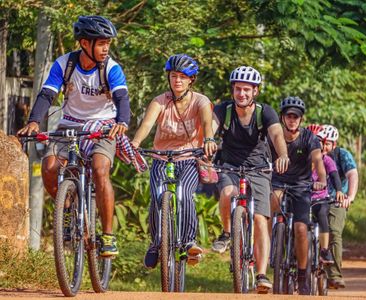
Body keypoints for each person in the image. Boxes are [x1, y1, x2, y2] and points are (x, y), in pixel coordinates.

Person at [17, 15, 130, 257]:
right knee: (49, 168)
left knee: (100, 170)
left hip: (104, 125)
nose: (105, 48)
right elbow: (47, 94)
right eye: (101, 43)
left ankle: (108, 237)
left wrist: (122, 122)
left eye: (108, 43)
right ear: (84, 44)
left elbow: (121, 98)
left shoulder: (111, 67)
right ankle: (66, 210)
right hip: (69, 124)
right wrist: (34, 121)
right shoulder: (64, 64)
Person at [131, 54, 217, 268]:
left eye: (182, 76)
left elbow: (207, 122)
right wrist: (135, 142)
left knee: (184, 195)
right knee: (157, 197)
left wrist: (208, 139)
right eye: (173, 76)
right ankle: (156, 243)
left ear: (191, 80)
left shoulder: (201, 101)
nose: (177, 80)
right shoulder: (160, 101)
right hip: (161, 158)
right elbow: (147, 124)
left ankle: (189, 242)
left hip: (188, 158)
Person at [211, 66, 289, 293]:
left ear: (255, 91)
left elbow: (276, 134)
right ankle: (227, 233)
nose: (241, 94)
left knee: (261, 220)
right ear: (232, 90)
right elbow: (211, 128)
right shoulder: (223, 110)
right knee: (227, 194)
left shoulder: (265, 112)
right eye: (237, 89)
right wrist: (207, 140)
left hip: (259, 169)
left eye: (246, 89)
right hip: (230, 166)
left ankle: (262, 274)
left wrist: (282, 154)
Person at [269, 96, 326, 295]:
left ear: (301, 119)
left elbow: (318, 160)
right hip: (277, 182)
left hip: (301, 186)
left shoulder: (310, 138)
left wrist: (322, 180)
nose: (292, 120)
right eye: (288, 116)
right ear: (282, 118)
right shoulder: (273, 136)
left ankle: (302, 274)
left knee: (301, 228)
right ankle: (269, 246)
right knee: (270, 207)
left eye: (296, 116)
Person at [320, 124, 359, 289]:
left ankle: (334, 275)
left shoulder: (343, 155)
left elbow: (352, 175)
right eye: (320, 142)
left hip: (337, 200)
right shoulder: (313, 155)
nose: (324, 147)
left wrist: (349, 197)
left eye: (327, 143)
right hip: (315, 200)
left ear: (334, 144)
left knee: (334, 232)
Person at [307, 124, 345, 265]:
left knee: (323, 214)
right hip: (302, 197)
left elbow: (335, 176)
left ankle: (324, 250)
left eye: (317, 142)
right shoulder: (301, 158)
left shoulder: (326, 160)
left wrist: (339, 191)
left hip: (320, 198)